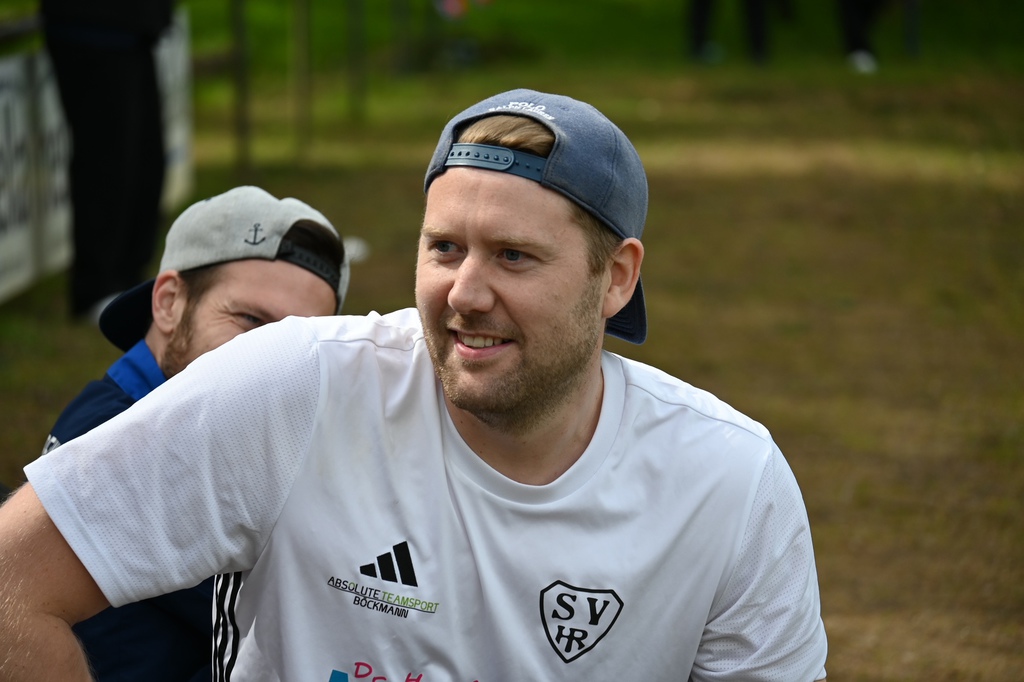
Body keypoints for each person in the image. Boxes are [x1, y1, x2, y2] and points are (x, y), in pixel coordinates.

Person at [0, 89, 827, 680]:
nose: (465, 292)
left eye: (514, 256)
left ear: (615, 278)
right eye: (444, 249)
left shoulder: (729, 484)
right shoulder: (297, 385)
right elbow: (13, 580)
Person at [30, 185, 351, 682]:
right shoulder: (120, 441)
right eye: (251, 320)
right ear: (169, 302)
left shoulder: (143, 415)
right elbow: (310, 619)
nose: (273, 361)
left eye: (299, 342)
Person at [40, 0, 175, 320]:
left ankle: (130, 281)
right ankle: (96, 289)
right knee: (106, 163)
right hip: (92, 26)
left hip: (136, 30)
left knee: (145, 163)